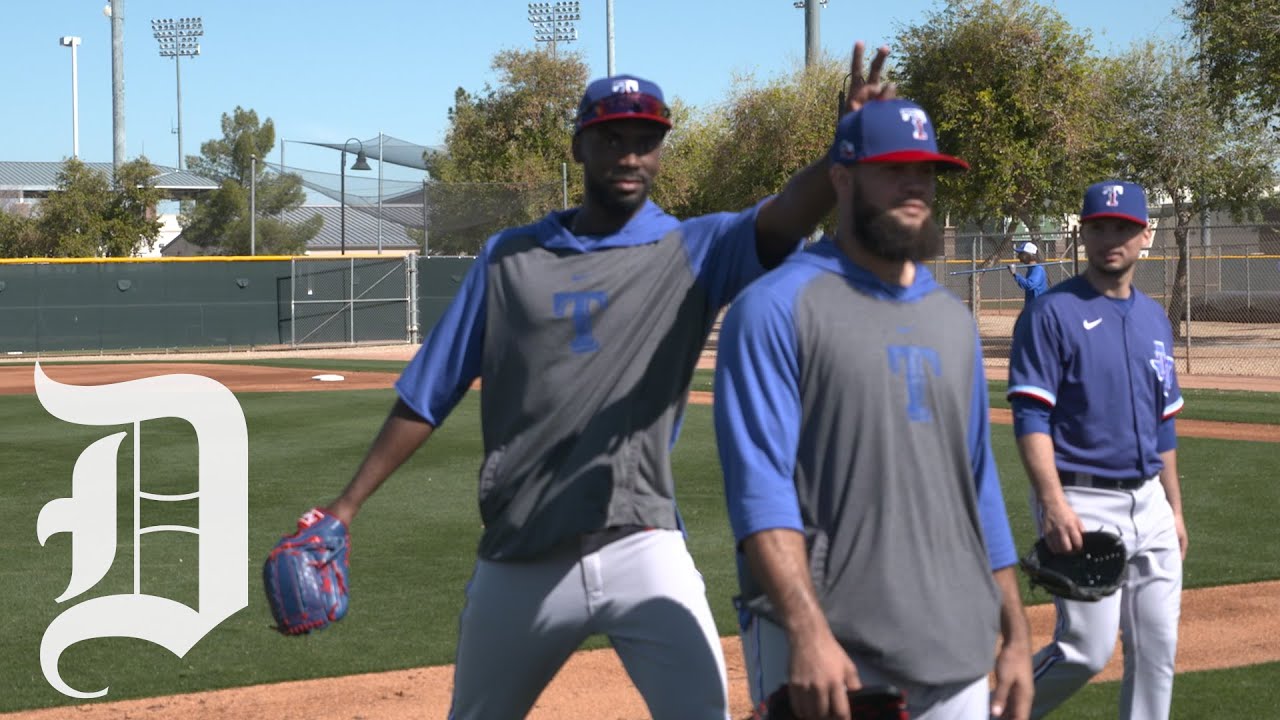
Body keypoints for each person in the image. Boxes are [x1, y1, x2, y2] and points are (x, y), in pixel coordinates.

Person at [292, 45, 896, 720]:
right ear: (580, 146)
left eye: (646, 140)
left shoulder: (696, 251)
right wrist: (345, 507)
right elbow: (429, 391)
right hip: (521, 556)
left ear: (661, 152)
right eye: (613, 138)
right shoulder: (509, 258)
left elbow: (786, 211)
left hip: (642, 544)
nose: (630, 154)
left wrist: (848, 145)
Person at [713, 98, 1034, 720]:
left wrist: (1016, 633)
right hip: (838, 663)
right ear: (841, 178)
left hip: (960, 653)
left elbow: (979, 485)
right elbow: (760, 493)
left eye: (927, 170)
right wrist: (807, 634)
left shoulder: (952, 320)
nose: (915, 183)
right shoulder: (776, 307)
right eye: (893, 167)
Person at [1007, 179, 1187, 719]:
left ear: (1144, 235)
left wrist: (1175, 509)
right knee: (1084, 651)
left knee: (1157, 654)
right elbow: (1031, 416)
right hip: (1081, 502)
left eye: (1124, 227)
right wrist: (1053, 502)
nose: (1112, 237)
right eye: (1100, 226)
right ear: (1083, 233)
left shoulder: (1155, 318)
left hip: (1150, 502)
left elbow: (1164, 426)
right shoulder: (1051, 314)